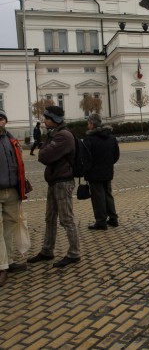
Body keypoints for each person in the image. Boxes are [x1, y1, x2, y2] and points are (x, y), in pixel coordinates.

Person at [27, 106, 81, 268]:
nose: (44, 121)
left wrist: (43, 149)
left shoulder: (63, 136)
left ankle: (74, 253)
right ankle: (47, 250)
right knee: (50, 218)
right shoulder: (55, 134)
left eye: (47, 118)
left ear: (55, 120)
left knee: (66, 219)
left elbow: (43, 155)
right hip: (55, 181)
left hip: (63, 182)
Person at [0, 109, 28, 286]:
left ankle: (8, 261)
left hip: (12, 191)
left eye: (1, 118)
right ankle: (1, 267)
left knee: (10, 227)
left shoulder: (11, 140)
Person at [83, 114, 120, 230]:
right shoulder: (111, 137)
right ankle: (113, 218)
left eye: (88, 123)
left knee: (98, 197)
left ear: (92, 124)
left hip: (94, 173)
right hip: (107, 171)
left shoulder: (89, 139)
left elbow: (85, 157)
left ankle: (101, 221)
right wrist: (108, 164)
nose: (87, 125)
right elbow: (116, 156)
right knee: (108, 194)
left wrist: (86, 169)